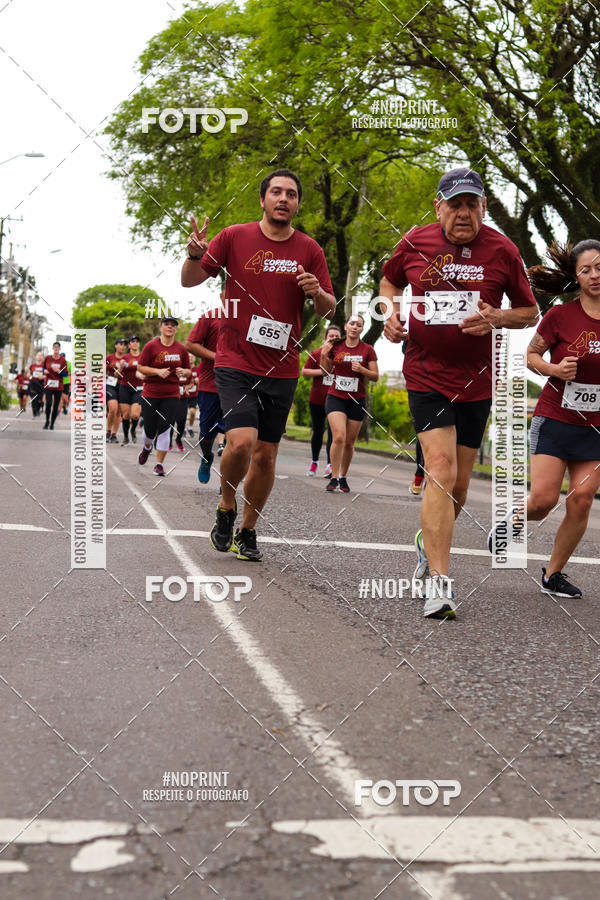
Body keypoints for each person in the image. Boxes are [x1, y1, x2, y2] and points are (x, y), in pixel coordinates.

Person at [381, 167, 538, 618]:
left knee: (460, 488)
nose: (464, 213)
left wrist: (498, 318)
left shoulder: (502, 250)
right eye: (455, 204)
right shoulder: (416, 242)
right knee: (441, 469)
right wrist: (391, 313)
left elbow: (529, 310)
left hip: (477, 382)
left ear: (484, 208)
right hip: (426, 374)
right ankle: (440, 582)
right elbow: (390, 281)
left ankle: (424, 541)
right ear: (439, 208)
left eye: (472, 204)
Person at [181, 168, 335, 560]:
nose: (284, 199)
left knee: (266, 455)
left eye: (292, 194)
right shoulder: (235, 236)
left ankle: (248, 530)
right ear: (263, 199)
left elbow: (328, 307)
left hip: (282, 366)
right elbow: (190, 281)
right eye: (277, 192)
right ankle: (226, 506)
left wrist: (316, 292)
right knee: (241, 442)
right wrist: (194, 254)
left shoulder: (309, 249)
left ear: (297, 204)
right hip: (235, 359)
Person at [489, 240, 600, 598]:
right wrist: (555, 368)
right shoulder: (560, 316)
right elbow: (531, 356)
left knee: (581, 498)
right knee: (543, 499)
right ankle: (511, 524)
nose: (594, 275)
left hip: (594, 428)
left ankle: (553, 575)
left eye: (599, 267)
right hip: (555, 418)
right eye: (586, 270)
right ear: (576, 276)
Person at [320, 314, 378, 493]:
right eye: (352, 323)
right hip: (336, 397)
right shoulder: (335, 347)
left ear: (362, 329)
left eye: (359, 325)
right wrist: (324, 355)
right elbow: (325, 372)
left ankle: (343, 477)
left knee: (349, 442)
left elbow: (375, 376)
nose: (355, 327)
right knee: (338, 436)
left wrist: (362, 369)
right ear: (346, 326)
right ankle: (334, 477)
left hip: (357, 400)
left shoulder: (367, 349)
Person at [136, 316, 191, 477]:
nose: (170, 327)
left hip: (171, 394)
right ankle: (147, 447)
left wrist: (183, 372)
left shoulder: (181, 349)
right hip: (151, 393)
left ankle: (159, 464)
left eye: (173, 325)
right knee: (149, 430)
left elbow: (188, 370)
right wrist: (157, 371)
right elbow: (141, 367)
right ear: (161, 327)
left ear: (176, 329)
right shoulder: (151, 346)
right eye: (167, 324)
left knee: (165, 429)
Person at [185, 309, 224, 484]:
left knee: (237, 437)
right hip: (211, 386)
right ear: (223, 294)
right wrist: (220, 358)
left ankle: (228, 484)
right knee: (207, 434)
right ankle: (207, 457)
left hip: (240, 386)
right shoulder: (211, 316)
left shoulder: (250, 314)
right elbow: (191, 344)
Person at [301, 324, 341, 477]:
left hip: (336, 400)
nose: (334, 339)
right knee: (317, 432)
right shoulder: (316, 354)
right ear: (325, 338)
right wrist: (323, 372)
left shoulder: (343, 356)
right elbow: (304, 371)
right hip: (317, 400)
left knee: (333, 433)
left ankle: (331, 465)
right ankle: (314, 462)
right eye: (331, 336)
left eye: (337, 337)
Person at [118, 335, 144, 445]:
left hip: (138, 388)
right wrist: (120, 368)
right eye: (132, 341)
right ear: (129, 345)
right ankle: (125, 437)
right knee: (126, 415)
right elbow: (116, 375)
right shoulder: (125, 358)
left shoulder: (143, 357)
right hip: (125, 387)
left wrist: (143, 375)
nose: (135, 343)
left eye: (137, 341)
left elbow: (147, 370)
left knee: (135, 415)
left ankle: (133, 430)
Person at [106, 338, 128, 443]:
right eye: (120, 344)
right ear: (115, 346)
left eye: (124, 345)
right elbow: (103, 369)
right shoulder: (110, 357)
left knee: (119, 411)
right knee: (113, 409)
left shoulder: (127, 358)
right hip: (110, 385)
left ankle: (114, 434)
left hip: (123, 386)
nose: (123, 347)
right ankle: (108, 431)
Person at [43, 342, 68, 430]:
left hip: (58, 386)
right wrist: (44, 371)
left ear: (60, 349)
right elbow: (43, 368)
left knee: (56, 406)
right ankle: (47, 421)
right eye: (55, 347)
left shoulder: (62, 360)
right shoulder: (47, 358)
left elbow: (65, 374)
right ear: (53, 348)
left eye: (57, 347)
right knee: (49, 403)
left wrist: (59, 371)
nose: (56, 348)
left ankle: (52, 423)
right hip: (49, 385)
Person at [29, 352, 45, 417]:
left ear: (42, 357)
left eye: (41, 355)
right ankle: (34, 412)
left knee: (39, 399)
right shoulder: (32, 366)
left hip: (41, 383)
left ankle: (38, 410)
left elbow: (47, 375)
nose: (39, 357)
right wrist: (30, 376)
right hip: (33, 383)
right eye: (38, 355)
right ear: (36, 357)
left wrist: (43, 376)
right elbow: (29, 374)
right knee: (33, 398)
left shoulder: (44, 366)